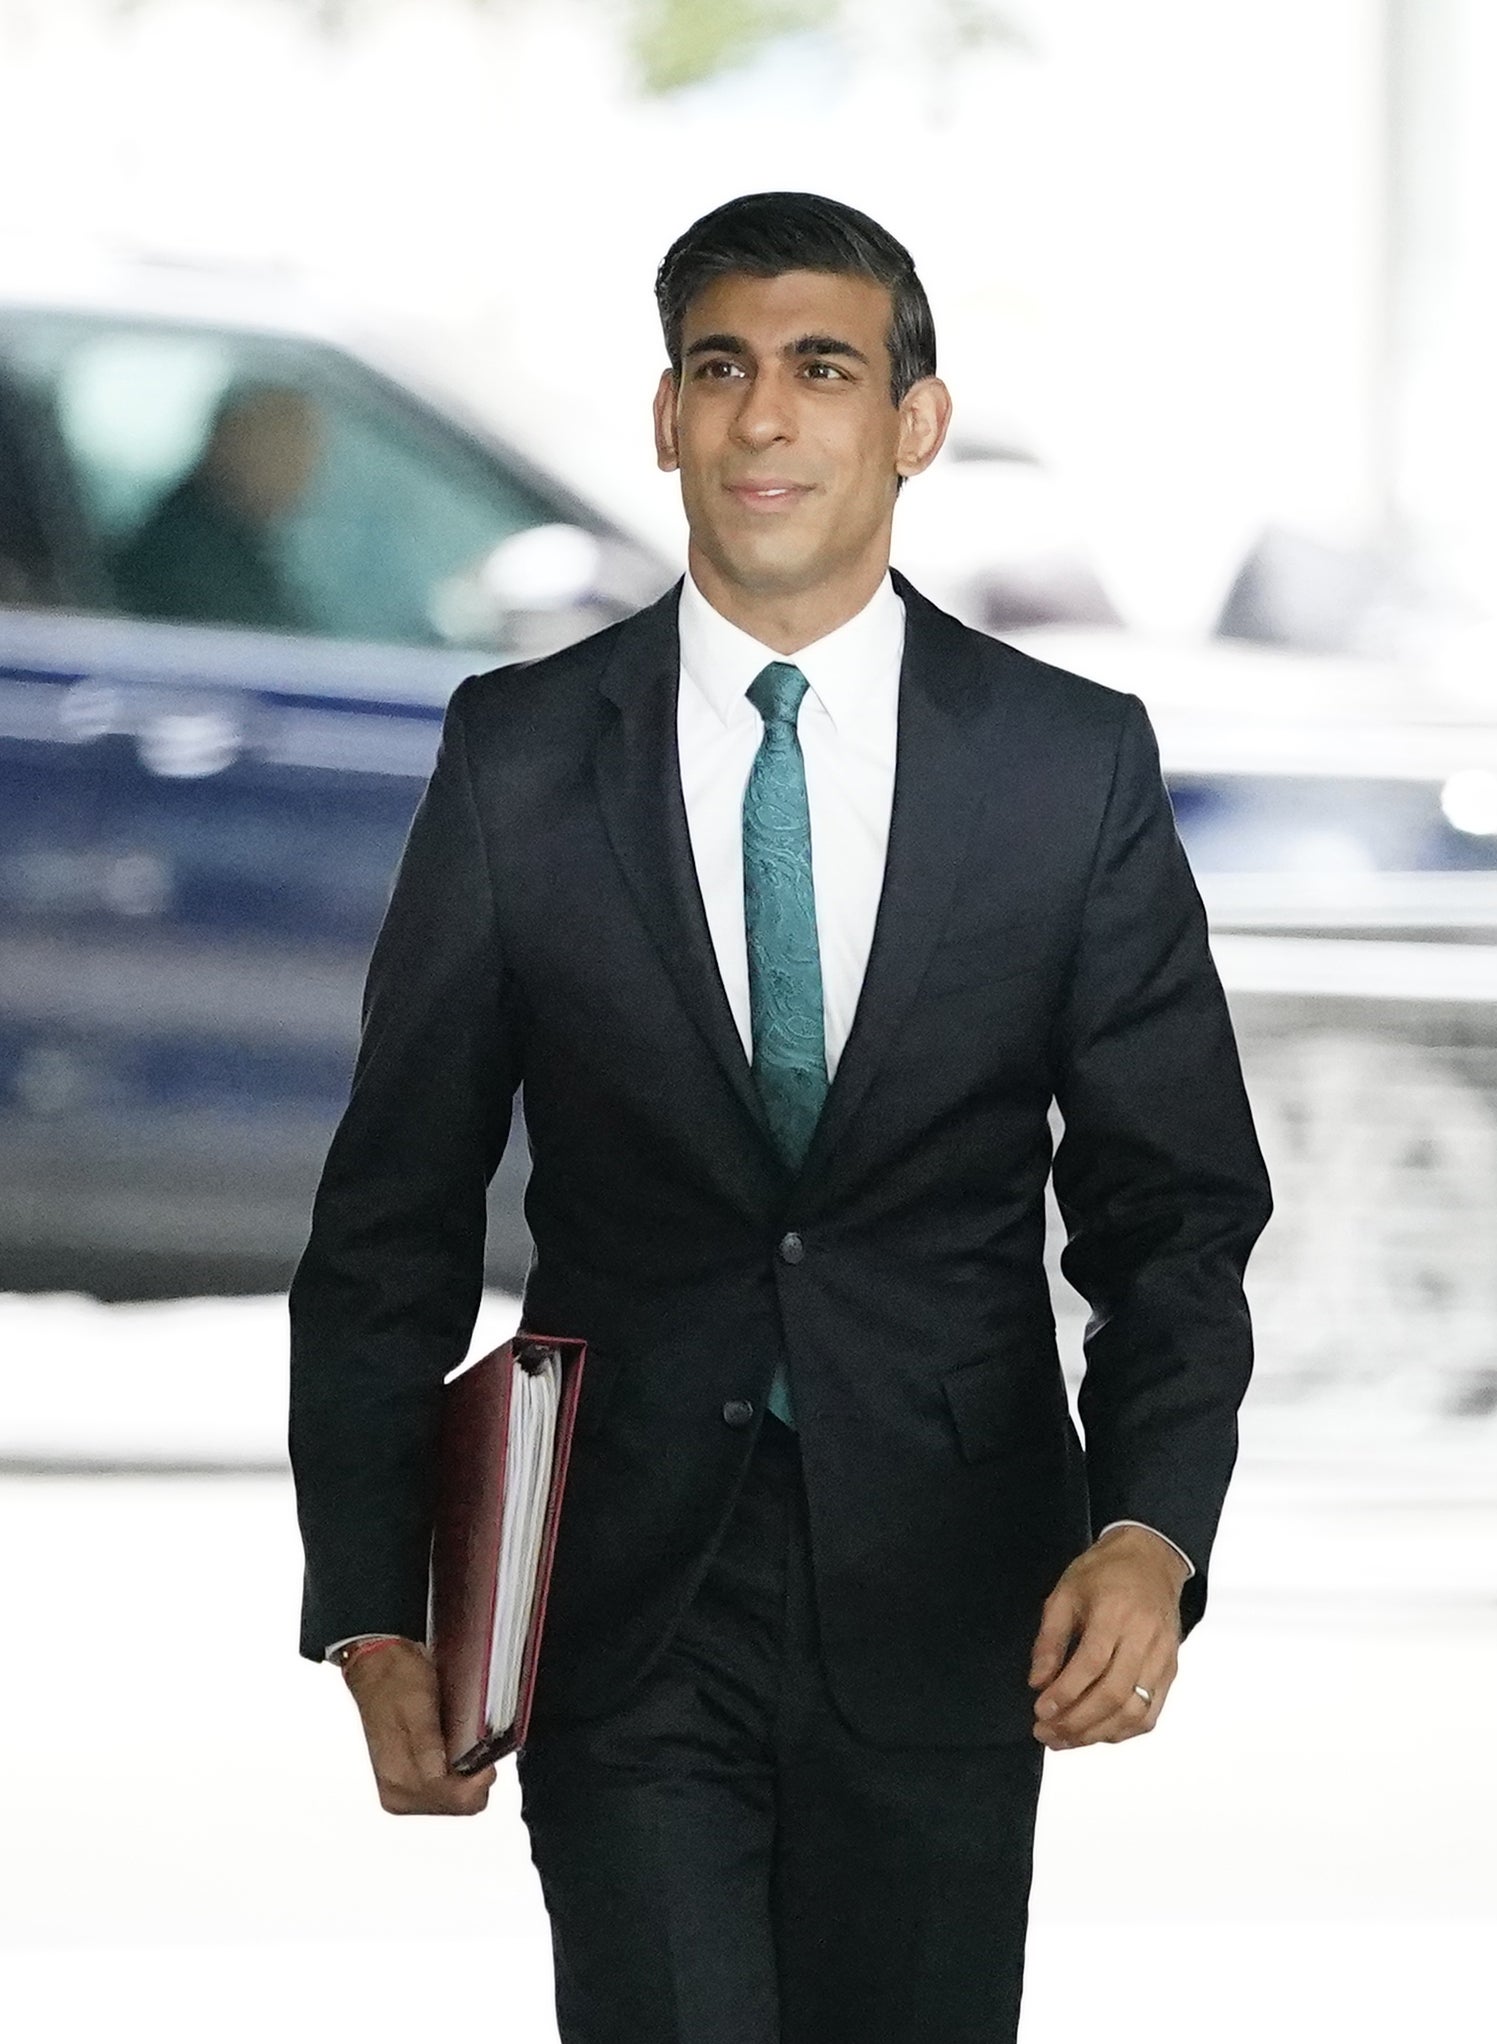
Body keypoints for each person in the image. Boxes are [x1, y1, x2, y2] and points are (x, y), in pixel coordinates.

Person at [288, 190, 1272, 2044]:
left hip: (959, 1581)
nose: (766, 417)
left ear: (915, 419)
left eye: (823, 368)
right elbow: (390, 1219)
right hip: (620, 1585)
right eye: (720, 368)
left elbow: (1173, 1211)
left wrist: (1150, 1524)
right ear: (663, 415)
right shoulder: (516, 756)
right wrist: (370, 1597)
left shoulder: (1069, 767)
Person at [113, 381, 320, 631]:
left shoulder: (235, 545)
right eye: (286, 439)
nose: (303, 465)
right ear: (230, 436)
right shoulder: (186, 559)